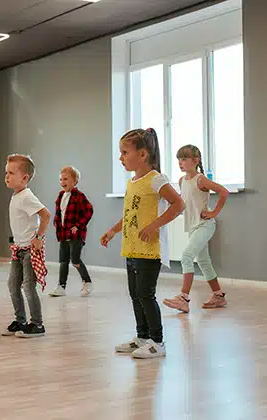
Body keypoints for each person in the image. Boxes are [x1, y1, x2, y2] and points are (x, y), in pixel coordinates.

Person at [101, 128, 184, 359]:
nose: (121, 158)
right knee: (135, 294)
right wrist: (113, 231)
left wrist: (154, 226)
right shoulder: (132, 182)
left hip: (150, 250)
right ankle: (142, 336)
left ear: (143, 154)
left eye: (125, 152)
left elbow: (178, 205)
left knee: (146, 294)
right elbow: (129, 214)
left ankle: (157, 342)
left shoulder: (156, 179)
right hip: (132, 247)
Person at [162, 145, 229, 313]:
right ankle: (218, 296)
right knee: (204, 262)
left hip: (205, 225)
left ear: (196, 161)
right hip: (192, 227)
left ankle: (183, 298)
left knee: (186, 257)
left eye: (184, 159)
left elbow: (223, 191)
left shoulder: (201, 179)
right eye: (179, 159)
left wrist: (214, 212)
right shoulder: (181, 181)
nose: (180, 163)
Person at [2, 154, 51, 338]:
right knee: (13, 285)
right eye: (6, 172)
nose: (7, 176)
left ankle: (37, 324)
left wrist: (38, 237)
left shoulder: (27, 197)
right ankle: (20, 320)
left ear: (25, 178)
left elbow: (46, 215)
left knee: (29, 287)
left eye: (11, 173)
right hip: (19, 250)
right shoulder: (16, 196)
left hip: (30, 250)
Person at [49, 166, 94, 297]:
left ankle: (87, 282)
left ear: (75, 182)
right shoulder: (61, 195)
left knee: (75, 260)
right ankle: (61, 286)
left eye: (66, 179)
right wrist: (56, 222)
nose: (62, 182)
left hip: (75, 234)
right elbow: (60, 212)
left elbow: (89, 211)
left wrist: (78, 226)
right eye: (61, 179)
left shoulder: (79, 196)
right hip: (63, 234)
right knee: (63, 261)